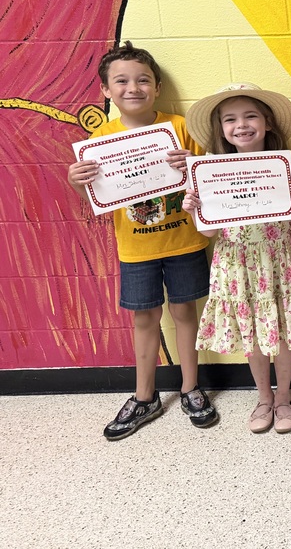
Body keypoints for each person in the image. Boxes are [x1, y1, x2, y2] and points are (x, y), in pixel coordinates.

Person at [66, 41, 218, 440]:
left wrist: (191, 166)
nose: (132, 88)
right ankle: (144, 395)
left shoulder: (181, 128)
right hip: (135, 247)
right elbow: (99, 200)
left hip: (184, 242)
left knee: (187, 313)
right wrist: (77, 183)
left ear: (157, 85)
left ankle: (190, 387)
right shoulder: (99, 140)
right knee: (145, 318)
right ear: (105, 89)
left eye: (142, 80)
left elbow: (208, 183)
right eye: (121, 81)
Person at [182, 83, 291, 433]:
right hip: (236, 264)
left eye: (250, 116)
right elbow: (208, 234)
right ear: (221, 130)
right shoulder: (209, 171)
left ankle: (284, 398)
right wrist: (195, 211)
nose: (241, 125)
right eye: (230, 119)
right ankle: (263, 397)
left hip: (279, 258)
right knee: (254, 334)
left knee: (284, 332)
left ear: (268, 123)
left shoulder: (287, 166)